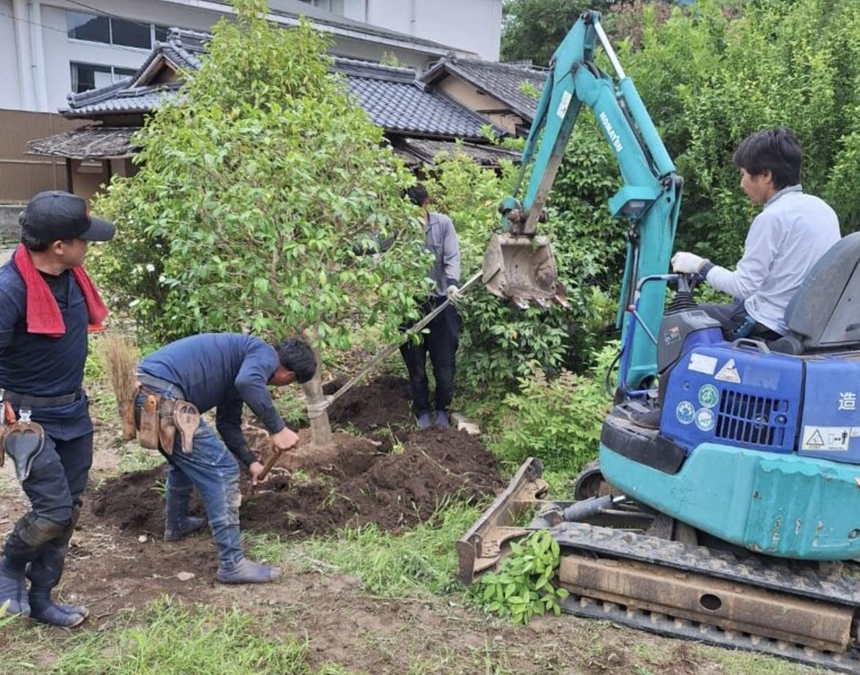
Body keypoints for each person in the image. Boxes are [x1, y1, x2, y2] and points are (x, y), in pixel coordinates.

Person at [0, 190, 115, 627]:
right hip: (29, 421)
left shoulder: (71, 277)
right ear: (59, 246)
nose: (90, 245)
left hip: (74, 413)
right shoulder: (9, 290)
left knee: (70, 509)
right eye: (84, 238)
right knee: (53, 510)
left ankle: (43, 596)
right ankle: (10, 565)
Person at [134, 333, 316, 584]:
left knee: (184, 460)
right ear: (288, 375)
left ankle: (177, 524)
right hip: (161, 396)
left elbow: (227, 424)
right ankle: (232, 564)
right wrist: (278, 428)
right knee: (223, 469)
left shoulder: (240, 365)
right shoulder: (263, 354)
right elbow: (249, 382)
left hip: (147, 395)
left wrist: (252, 463)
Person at [671, 127, 841, 339]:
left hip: (768, 324)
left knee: (687, 318)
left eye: (743, 174)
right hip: (809, 324)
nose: (741, 184)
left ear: (766, 175)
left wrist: (700, 265)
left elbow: (742, 286)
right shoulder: (823, 210)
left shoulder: (772, 217)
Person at [399, 183, 462, 429]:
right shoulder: (398, 227)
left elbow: (452, 256)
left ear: (426, 203)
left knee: (445, 365)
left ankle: (442, 409)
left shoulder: (443, 224)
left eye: (415, 207)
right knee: (415, 365)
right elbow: (378, 247)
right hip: (409, 305)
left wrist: (452, 283)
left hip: (441, 302)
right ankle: (422, 410)